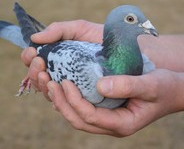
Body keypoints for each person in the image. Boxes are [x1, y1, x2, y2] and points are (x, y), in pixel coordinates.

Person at [21, 20, 184, 137]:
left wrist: (177, 93)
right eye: (131, 20)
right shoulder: (92, 75)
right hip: (59, 53)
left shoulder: (141, 61)